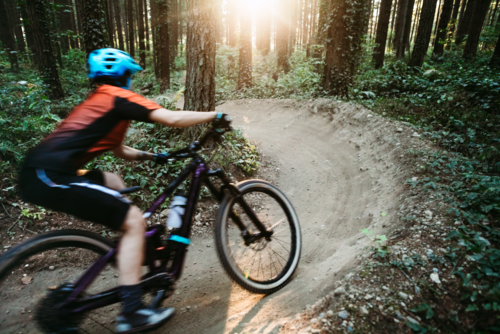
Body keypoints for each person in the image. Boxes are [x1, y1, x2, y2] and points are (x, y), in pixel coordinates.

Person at [18, 48, 229, 333]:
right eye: (130, 75)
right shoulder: (117, 96)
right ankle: (131, 313)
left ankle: (130, 247)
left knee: (114, 181)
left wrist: (153, 156)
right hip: (49, 174)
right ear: (123, 76)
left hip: (45, 171)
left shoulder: (102, 101)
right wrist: (215, 114)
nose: (132, 81)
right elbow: (172, 118)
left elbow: (119, 149)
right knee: (132, 221)